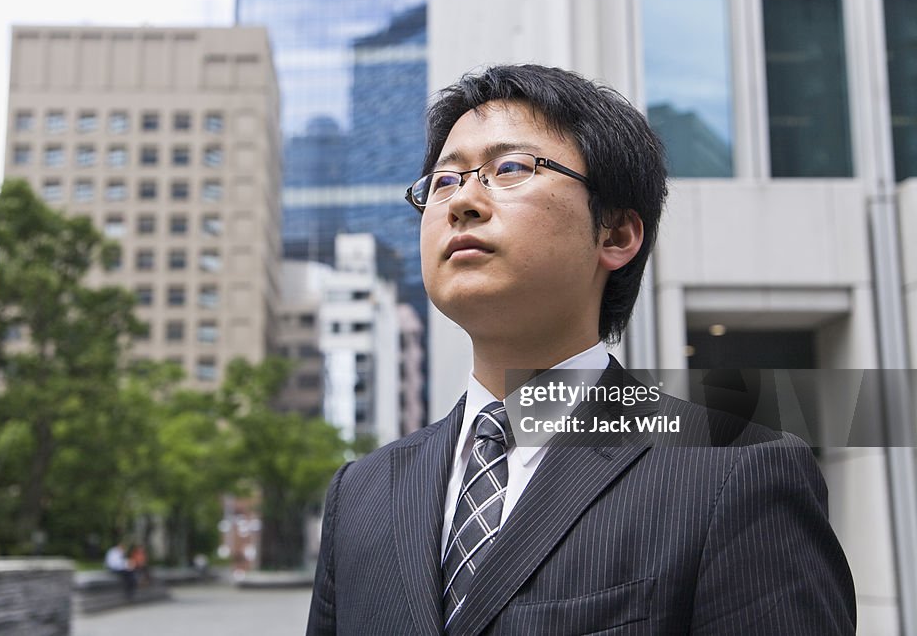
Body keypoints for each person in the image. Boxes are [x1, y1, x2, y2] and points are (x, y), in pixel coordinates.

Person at [306, 64, 856, 635]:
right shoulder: (361, 493)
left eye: (510, 168)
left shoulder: (735, 475)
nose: (462, 200)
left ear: (615, 234)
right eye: (444, 181)